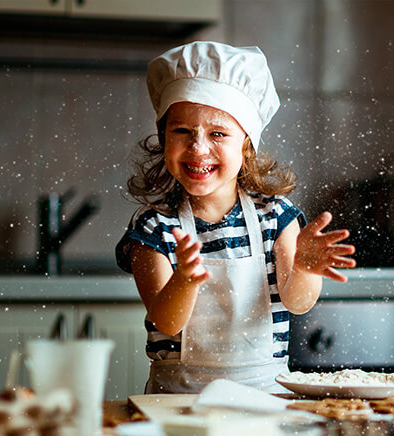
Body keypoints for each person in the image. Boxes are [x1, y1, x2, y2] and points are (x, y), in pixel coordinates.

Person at [115, 41, 356, 394]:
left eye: (217, 134)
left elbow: (298, 303)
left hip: (266, 397)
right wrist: (184, 280)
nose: (198, 147)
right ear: (163, 137)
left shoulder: (276, 216)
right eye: (181, 131)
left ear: (246, 145)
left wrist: (303, 268)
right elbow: (166, 321)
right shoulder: (153, 229)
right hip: (178, 402)